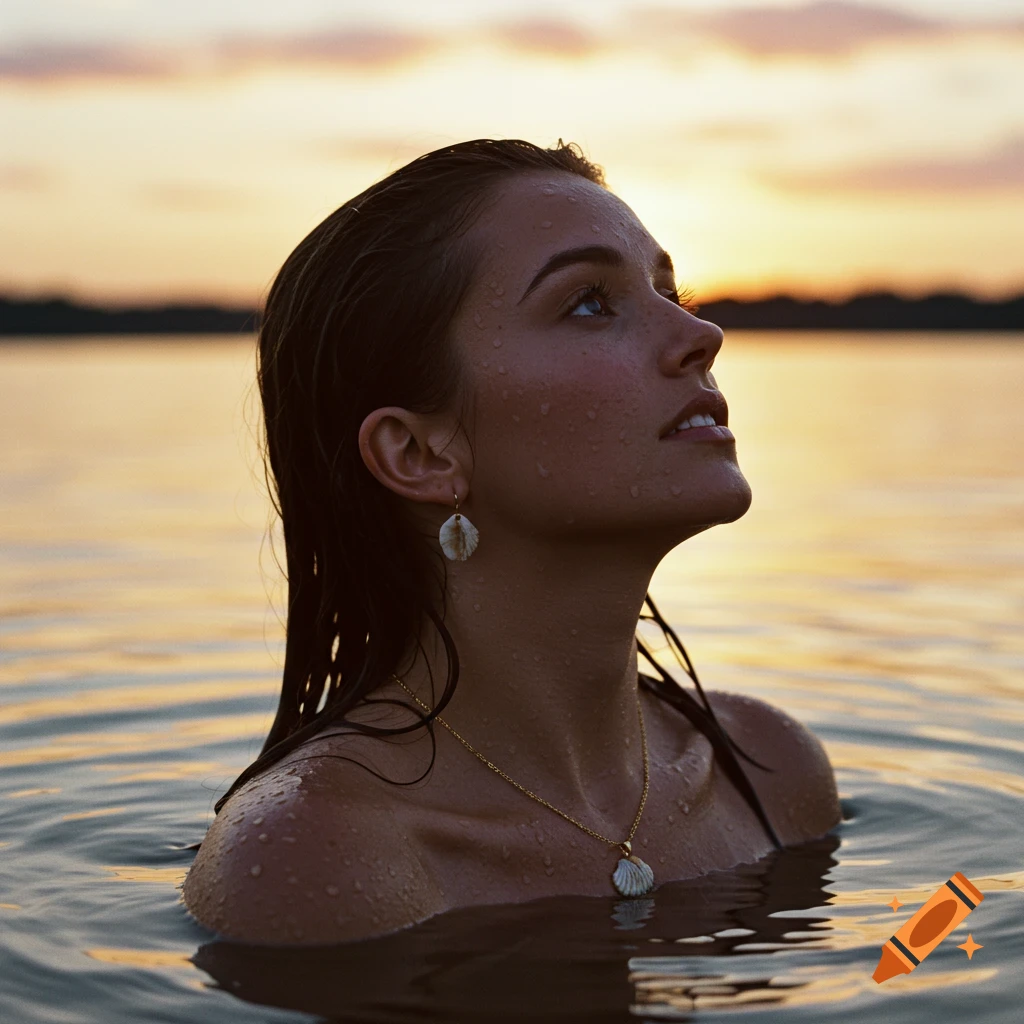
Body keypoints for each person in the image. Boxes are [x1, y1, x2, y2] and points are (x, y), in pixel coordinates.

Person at [181, 138, 841, 945]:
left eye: (672, 290)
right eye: (590, 302)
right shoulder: (318, 858)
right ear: (420, 455)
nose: (701, 335)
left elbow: (921, 957)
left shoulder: (770, 774)